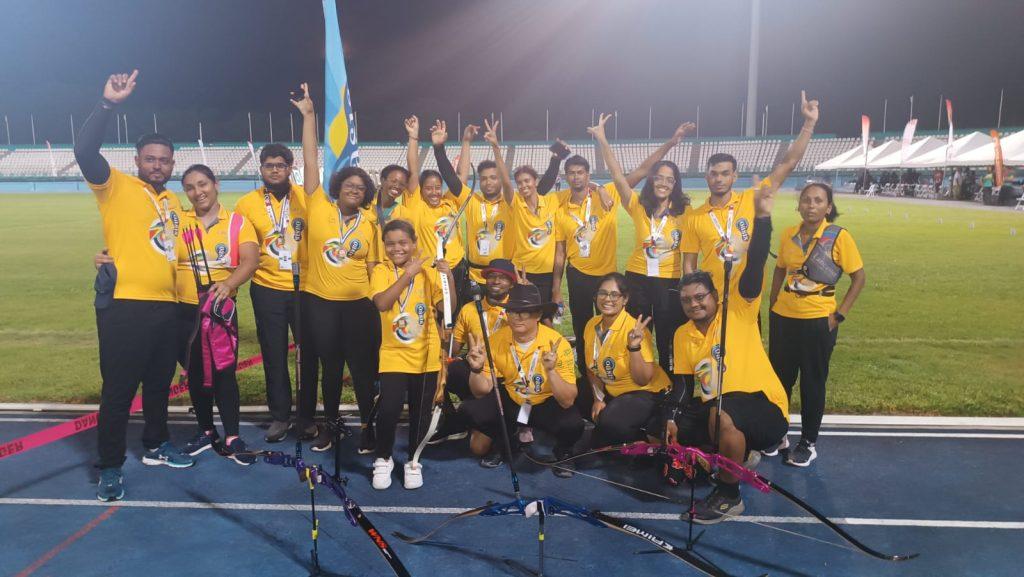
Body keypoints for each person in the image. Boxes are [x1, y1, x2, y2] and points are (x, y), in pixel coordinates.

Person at [74, 70, 194, 502]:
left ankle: (157, 445)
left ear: (171, 164)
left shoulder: (172, 201)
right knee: (120, 391)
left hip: (165, 307)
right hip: (124, 306)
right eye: (151, 158)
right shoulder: (115, 186)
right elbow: (84, 149)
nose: (158, 165)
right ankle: (109, 466)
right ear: (137, 159)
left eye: (164, 160)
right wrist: (108, 104)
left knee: (160, 385)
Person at [658, 184, 788, 523]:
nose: (694, 304)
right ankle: (737, 454)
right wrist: (670, 419)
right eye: (687, 300)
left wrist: (762, 218)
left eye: (701, 297)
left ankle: (731, 496)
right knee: (661, 430)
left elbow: (757, 260)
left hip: (764, 406)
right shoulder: (682, 334)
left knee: (722, 413)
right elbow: (684, 386)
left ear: (715, 296)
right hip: (715, 409)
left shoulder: (739, 311)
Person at [291, 83, 384, 454]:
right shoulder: (317, 206)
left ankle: (366, 427)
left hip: (358, 305)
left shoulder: (369, 223)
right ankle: (330, 427)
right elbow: (311, 160)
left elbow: (375, 264)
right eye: (350, 184)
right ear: (338, 186)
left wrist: (377, 299)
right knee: (330, 370)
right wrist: (310, 116)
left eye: (361, 188)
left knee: (363, 372)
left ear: (366, 194)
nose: (355, 190)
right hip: (321, 303)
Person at [683, 91, 819, 298]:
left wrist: (808, 124)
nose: (719, 179)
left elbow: (788, 164)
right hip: (712, 298)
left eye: (725, 174)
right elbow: (689, 264)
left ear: (734, 176)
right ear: (706, 177)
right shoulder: (694, 217)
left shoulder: (751, 198)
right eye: (714, 174)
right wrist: (696, 297)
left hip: (747, 297)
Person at [767, 182, 865, 466]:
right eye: (806, 200)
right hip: (784, 319)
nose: (811, 205)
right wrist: (773, 305)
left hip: (818, 321)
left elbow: (859, 278)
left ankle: (808, 442)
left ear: (828, 207)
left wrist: (839, 315)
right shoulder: (789, 234)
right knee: (779, 381)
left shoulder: (838, 237)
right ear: (799, 205)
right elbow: (780, 270)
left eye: (818, 201)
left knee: (812, 383)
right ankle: (778, 434)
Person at [592, 113, 693, 374]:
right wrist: (602, 139)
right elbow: (616, 174)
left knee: (668, 340)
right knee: (638, 337)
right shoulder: (638, 206)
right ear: (652, 179)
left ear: (675, 185)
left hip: (670, 282)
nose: (663, 182)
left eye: (669, 179)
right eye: (658, 177)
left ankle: (670, 392)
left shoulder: (685, 212)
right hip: (637, 280)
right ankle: (643, 387)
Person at [370, 219, 457, 490]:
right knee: (388, 409)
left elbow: (448, 308)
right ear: (384, 246)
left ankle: (413, 460)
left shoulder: (428, 272)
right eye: (391, 243)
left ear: (414, 243)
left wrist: (448, 277)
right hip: (394, 353)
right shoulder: (381, 271)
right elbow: (382, 303)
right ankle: (383, 458)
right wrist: (408, 273)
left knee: (421, 412)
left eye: (403, 242)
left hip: (425, 354)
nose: (397, 248)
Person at [461, 284, 582, 475]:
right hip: (512, 400)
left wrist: (551, 371)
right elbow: (480, 391)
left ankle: (563, 452)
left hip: (544, 402)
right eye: (512, 311)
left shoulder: (557, 343)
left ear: (538, 315)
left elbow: (567, 400)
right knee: (471, 409)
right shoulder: (495, 340)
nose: (517, 317)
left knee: (573, 423)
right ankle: (506, 441)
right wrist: (476, 370)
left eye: (525, 312)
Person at [234, 141, 309, 443]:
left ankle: (305, 416)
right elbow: (241, 248)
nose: (275, 170)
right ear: (261, 168)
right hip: (267, 288)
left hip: (305, 287)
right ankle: (280, 416)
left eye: (281, 165)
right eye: (269, 165)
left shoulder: (306, 198)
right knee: (274, 354)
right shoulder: (246, 204)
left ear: (291, 168)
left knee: (308, 354)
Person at [381, 117, 470, 305]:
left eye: (438, 187)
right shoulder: (416, 205)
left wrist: (466, 142)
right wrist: (413, 137)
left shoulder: (450, 202)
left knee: (456, 315)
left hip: (457, 269)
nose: (435, 192)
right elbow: (413, 170)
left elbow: (462, 176)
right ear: (420, 190)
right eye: (429, 188)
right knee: (436, 315)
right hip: (432, 270)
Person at [429, 258, 516, 450]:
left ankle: (484, 418)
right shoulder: (469, 309)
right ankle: (453, 419)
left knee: (479, 448)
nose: (496, 281)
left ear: (511, 283)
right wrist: (444, 337)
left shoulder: (518, 310)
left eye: (503, 278)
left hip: (507, 378)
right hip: (478, 373)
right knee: (442, 367)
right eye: (492, 276)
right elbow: (454, 350)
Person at [584, 274, 671, 448]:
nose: (607, 299)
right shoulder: (592, 324)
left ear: (625, 299)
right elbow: (591, 368)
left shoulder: (634, 329)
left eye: (614, 295)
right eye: (602, 293)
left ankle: (650, 433)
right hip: (613, 389)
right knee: (572, 398)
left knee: (609, 422)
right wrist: (598, 399)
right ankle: (620, 429)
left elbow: (643, 379)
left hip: (645, 392)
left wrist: (634, 347)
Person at [455, 121, 513, 285]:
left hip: (503, 276)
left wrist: (495, 147)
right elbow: (461, 177)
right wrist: (466, 142)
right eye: (484, 178)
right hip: (474, 275)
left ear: (500, 179)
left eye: (494, 178)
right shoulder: (472, 200)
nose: (488, 182)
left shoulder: (510, 203)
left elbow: (508, 183)